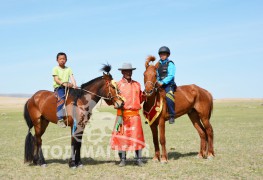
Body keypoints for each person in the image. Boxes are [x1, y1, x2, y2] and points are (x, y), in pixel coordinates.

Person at [111, 63, 145, 167]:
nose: (128, 73)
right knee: (121, 137)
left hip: (135, 115)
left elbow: (141, 98)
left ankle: (138, 159)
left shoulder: (137, 84)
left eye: (130, 71)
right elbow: (113, 99)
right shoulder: (117, 85)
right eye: (126, 71)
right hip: (121, 116)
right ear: (122, 72)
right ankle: (123, 160)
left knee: (137, 137)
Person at [52, 52, 77, 128]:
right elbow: (56, 79)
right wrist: (63, 83)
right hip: (59, 88)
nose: (62, 60)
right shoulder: (55, 68)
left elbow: (72, 78)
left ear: (66, 60)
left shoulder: (68, 69)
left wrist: (74, 85)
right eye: (60, 59)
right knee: (62, 99)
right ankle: (59, 119)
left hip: (68, 87)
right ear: (57, 60)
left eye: (64, 59)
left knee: (77, 98)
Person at [156, 46, 176, 124]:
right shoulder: (157, 65)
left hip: (169, 85)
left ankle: (171, 115)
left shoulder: (170, 64)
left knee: (169, 96)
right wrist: (157, 82)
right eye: (161, 54)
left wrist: (162, 82)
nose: (162, 56)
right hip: (159, 84)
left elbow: (171, 75)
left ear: (167, 55)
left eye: (164, 54)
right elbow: (156, 75)